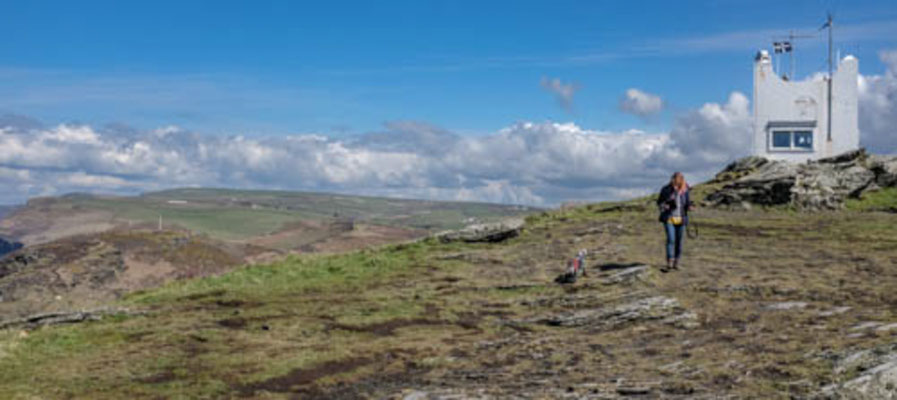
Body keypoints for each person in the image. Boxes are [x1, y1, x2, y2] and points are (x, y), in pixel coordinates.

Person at [656, 172, 693, 272]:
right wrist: (665, 206)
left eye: (679, 179)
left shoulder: (685, 190)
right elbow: (659, 202)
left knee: (679, 241)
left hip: (681, 218)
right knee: (671, 240)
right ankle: (670, 262)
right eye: (675, 179)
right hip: (669, 218)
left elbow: (688, 202)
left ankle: (677, 262)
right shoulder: (666, 189)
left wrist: (689, 206)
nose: (677, 181)